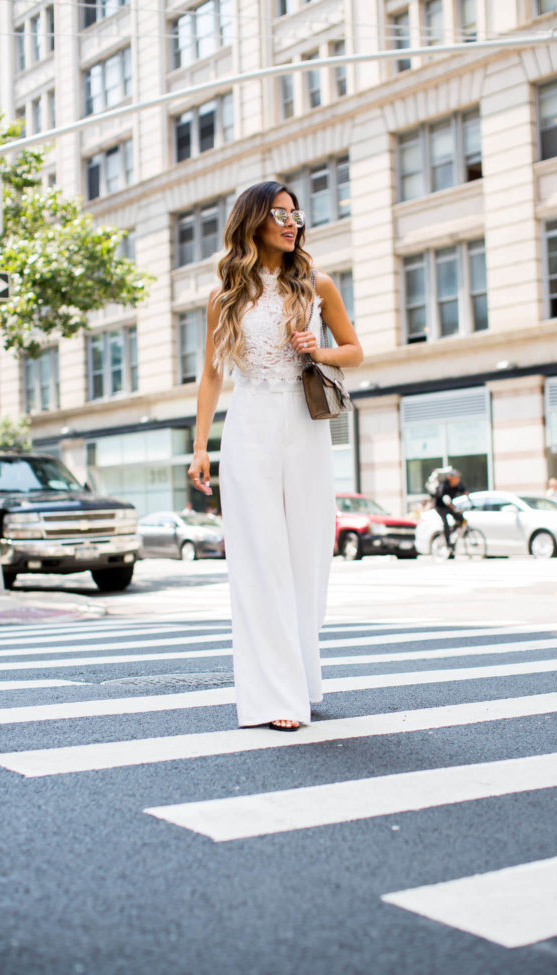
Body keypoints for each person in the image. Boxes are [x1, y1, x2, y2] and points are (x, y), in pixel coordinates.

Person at [187, 181, 363, 731]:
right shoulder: (225, 296)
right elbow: (213, 374)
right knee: (259, 559)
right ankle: (276, 698)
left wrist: (320, 348)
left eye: (296, 214)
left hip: (305, 426)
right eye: (279, 214)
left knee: (307, 556)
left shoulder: (317, 285)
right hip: (250, 426)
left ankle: (303, 678)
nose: (292, 223)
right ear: (254, 222)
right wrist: (200, 448)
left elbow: (355, 352)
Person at [434, 468, 466, 555]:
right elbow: (445, 499)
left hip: (449, 507)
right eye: (456, 478)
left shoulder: (457, 485)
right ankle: (448, 543)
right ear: (450, 478)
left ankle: (453, 532)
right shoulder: (443, 486)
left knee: (461, 518)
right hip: (440, 507)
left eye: (458, 478)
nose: (457, 480)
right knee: (446, 523)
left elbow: (464, 491)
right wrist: (452, 507)